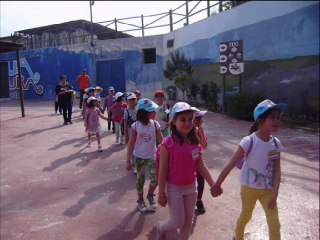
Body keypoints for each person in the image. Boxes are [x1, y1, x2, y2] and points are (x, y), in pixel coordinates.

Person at [211, 99, 288, 240]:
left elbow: (277, 171)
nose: (277, 121)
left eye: (278, 117)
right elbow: (230, 164)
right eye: (272, 117)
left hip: (268, 191)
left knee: (275, 224)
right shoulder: (249, 141)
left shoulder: (276, 144)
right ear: (260, 121)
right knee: (246, 216)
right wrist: (217, 184)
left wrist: (275, 193)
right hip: (249, 189)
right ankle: (238, 237)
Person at [156, 102, 219, 240]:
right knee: (177, 222)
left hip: (191, 187)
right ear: (174, 121)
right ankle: (161, 227)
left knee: (188, 222)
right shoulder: (167, 145)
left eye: (190, 119)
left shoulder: (194, 142)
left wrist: (212, 184)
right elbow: (162, 171)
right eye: (182, 119)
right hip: (174, 189)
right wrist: (161, 193)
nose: (187, 123)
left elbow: (201, 166)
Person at [126, 98, 163, 213]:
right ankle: (140, 200)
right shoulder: (135, 126)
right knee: (140, 180)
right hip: (139, 157)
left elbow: (162, 141)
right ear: (144, 113)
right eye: (152, 111)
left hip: (152, 156)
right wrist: (128, 160)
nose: (155, 113)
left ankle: (150, 195)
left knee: (155, 179)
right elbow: (131, 144)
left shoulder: (155, 124)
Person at [193, 110, 208, 214]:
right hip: (187, 161)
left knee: (201, 180)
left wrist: (201, 133)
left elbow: (204, 146)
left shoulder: (199, 130)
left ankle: (198, 200)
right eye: (200, 118)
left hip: (197, 159)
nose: (202, 120)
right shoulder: (186, 131)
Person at [123, 92, 138, 174]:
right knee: (132, 149)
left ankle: (139, 162)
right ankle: (135, 165)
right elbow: (125, 123)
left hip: (139, 132)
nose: (132, 101)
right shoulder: (127, 112)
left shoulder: (139, 109)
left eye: (133, 99)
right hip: (130, 132)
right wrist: (126, 135)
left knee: (138, 148)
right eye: (130, 100)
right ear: (127, 101)